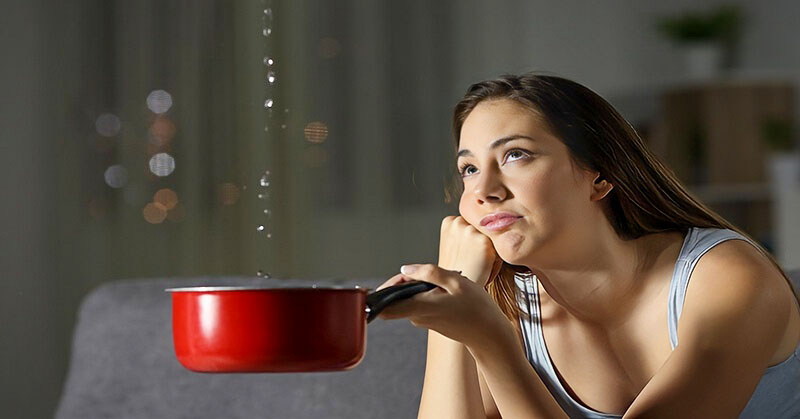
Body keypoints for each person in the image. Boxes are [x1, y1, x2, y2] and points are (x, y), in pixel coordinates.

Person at [377, 73, 800, 418]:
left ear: (599, 175)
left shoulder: (728, 278)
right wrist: (453, 306)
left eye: (516, 155)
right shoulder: (502, 300)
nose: (483, 190)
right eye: (468, 168)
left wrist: (489, 341)